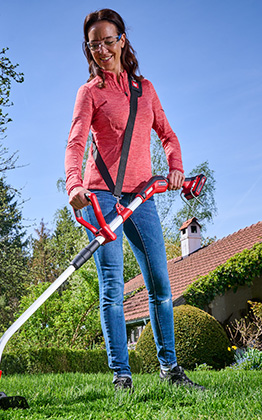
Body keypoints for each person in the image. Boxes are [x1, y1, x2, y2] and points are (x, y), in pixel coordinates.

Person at [64, 9, 202, 392]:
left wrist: (175, 166)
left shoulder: (146, 90)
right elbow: (75, 143)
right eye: (94, 45)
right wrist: (74, 185)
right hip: (101, 197)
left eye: (109, 41)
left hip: (142, 196)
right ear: (88, 50)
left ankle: (171, 370)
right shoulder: (89, 93)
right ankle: (121, 376)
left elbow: (168, 136)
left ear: (122, 39)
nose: (103, 50)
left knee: (160, 282)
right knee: (112, 287)